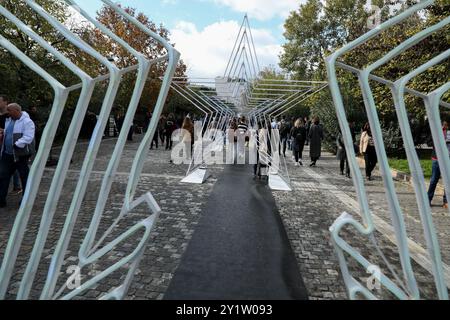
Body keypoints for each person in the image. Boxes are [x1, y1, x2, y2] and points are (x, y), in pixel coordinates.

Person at [0, 103, 36, 208]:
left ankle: (25, 200)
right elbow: (9, 133)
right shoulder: (9, 120)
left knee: (24, 177)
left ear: (16, 110)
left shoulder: (27, 122)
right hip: (7, 154)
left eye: (9, 110)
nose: (7, 112)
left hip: (21, 155)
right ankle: (1, 199)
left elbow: (28, 137)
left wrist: (17, 144)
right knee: (3, 176)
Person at [0, 95, 21, 193]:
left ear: (5, 102)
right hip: (2, 143)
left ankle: (17, 186)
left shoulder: (11, 115)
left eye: (0, 101)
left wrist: (4, 131)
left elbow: (14, 129)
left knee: (12, 165)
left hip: (9, 144)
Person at [427, 121, 449, 209]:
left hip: (448, 159)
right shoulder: (436, 131)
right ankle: (428, 199)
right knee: (434, 180)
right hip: (437, 159)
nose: (444, 125)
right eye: (443, 123)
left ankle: (446, 201)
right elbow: (429, 142)